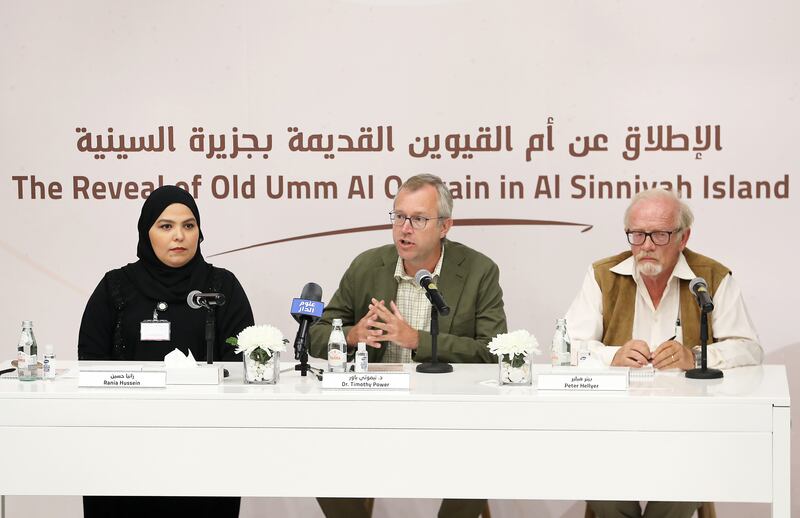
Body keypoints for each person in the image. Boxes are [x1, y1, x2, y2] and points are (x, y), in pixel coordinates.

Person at [309, 173, 507, 518]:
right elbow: (317, 334)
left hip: (451, 416)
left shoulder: (479, 271)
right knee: (317, 460)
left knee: (484, 457)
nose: (405, 228)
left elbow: (493, 351)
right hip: (372, 412)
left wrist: (416, 339)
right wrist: (353, 334)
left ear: (444, 226)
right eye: (399, 216)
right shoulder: (367, 265)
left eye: (418, 219)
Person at [564, 187, 762, 518]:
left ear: (683, 238)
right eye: (637, 235)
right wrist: (612, 355)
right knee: (601, 485)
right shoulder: (603, 275)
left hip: (691, 432)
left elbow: (748, 348)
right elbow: (566, 346)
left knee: (681, 488)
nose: (646, 246)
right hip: (613, 429)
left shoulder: (711, 277)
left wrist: (696, 357)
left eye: (659, 235)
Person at [78, 185, 254, 518]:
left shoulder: (222, 287)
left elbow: (240, 354)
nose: (179, 236)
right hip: (125, 447)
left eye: (189, 226)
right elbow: (90, 360)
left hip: (204, 446)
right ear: (147, 232)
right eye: (166, 226)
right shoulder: (115, 287)